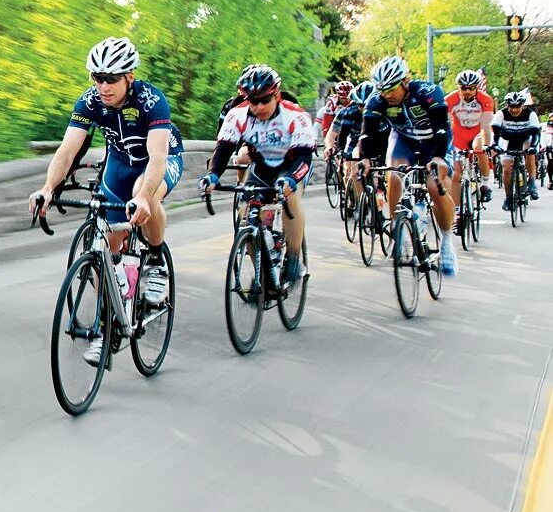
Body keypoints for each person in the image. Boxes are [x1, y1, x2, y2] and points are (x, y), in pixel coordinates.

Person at [28, 37, 184, 365]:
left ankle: (155, 260)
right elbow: (67, 150)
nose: (103, 86)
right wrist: (47, 188)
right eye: (96, 78)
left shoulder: (151, 100)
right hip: (119, 164)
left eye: (111, 79)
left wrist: (142, 197)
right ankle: (106, 325)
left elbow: (157, 156)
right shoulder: (90, 101)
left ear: (129, 76)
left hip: (158, 161)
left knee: (147, 193)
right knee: (106, 245)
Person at [200, 65, 314, 284]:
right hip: (262, 167)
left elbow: (304, 157)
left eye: (265, 100)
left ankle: (293, 258)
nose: (259, 106)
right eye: (254, 101)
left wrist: (291, 179)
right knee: (245, 212)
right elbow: (223, 150)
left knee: (290, 198)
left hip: (291, 166)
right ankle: (262, 270)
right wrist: (213, 175)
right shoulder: (237, 115)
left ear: (277, 96)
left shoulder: (295, 116)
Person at [358, 55, 457, 276]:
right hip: (404, 141)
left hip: (435, 142)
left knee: (435, 187)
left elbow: (442, 128)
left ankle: (447, 242)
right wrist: (364, 158)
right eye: (382, 89)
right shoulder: (377, 100)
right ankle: (397, 227)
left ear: (405, 80)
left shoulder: (428, 92)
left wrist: (440, 157)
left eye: (391, 88)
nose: (387, 94)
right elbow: (366, 133)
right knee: (394, 174)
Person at [447, 69, 496, 208]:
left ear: (477, 88)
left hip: (477, 133)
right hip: (459, 135)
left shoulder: (485, 99)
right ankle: (457, 212)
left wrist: (487, 145)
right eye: (463, 88)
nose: (467, 91)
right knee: (456, 174)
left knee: (479, 149)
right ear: (459, 87)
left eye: (471, 88)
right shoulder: (450, 100)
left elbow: (486, 125)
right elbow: (445, 124)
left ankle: (485, 185)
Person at [323, 80, 372, 209]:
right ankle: (354, 197)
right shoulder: (345, 112)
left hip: (374, 140)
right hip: (353, 141)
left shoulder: (379, 108)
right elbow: (332, 133)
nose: (364, 109)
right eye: (360, 105)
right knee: (348, 170)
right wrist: (329, 146)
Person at [491, 90, 542, 206]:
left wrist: (534, 147)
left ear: (522, 105)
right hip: (507, 140)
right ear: (507, 105)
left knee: (530, 150)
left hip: (525, 139)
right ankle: (508, 197)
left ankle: (532, 182)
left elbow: (536, 134)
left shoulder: (530, 114)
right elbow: (495, 133)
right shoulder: (501, 114)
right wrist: (495, 145)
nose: (514, 110)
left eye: (517, 106)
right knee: (507, 168)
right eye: (511, 107)